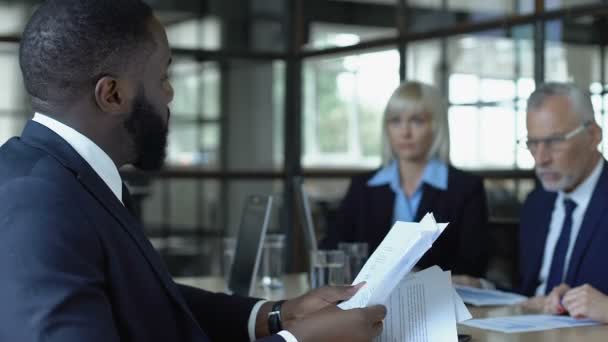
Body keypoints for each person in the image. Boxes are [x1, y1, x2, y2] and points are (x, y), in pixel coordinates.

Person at [0, 1, 385, 341]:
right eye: (163, 77)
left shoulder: (66, 176)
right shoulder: (37, 204)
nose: (169, 94)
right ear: (112, 95)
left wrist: (278, 315)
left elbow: (145, 299)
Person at [454, 82, 608, 313]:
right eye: (532, 144)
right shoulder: (537, 204)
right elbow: (530, 293)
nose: (541, 158)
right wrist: (482, 287)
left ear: (593, 135)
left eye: (554, 141)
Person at [320, 81, 488, 277]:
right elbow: (333, 250)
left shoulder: (466, 189)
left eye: (417, 121)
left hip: (436, 302)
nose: (405, 132)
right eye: (395, 121)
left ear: (436, 126)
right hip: (368, 303)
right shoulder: (363, 187)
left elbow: (472, 267)